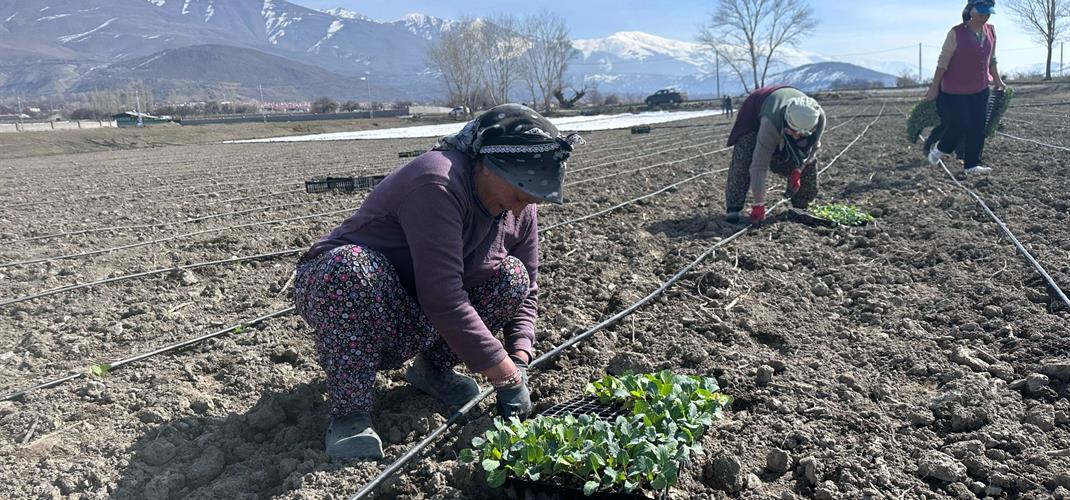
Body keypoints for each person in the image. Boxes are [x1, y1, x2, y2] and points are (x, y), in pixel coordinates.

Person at [293, 103, 583, 460]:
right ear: (491, 167)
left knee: (513, 277)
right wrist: (503, 374)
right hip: (356, 292)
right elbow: (442, 295)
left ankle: (431, 371)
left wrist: (519, 357)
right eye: (521, 196)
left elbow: (527, 291)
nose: (523, 209)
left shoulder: (518, 210)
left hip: (420, 304)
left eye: (532, 201)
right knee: (348, 268)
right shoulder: (439, 182)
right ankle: (349, 414)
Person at [924, 0, 1006, 174]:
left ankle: (971, 165)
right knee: (960, 124)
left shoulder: (991, 31)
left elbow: (992, 59)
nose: (984, 18)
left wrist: (997, 80)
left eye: (988, 14)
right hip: (954, 89)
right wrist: (934, 87)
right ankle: (939, 149)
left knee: (978, 126)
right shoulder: (956, 33)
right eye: (981, 14)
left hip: (980, 86)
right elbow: (942, 62)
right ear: (971, 12)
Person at [723, 86, 825, 224]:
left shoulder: (819, 118)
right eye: (793, 131)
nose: (796, 136)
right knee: (745, 152)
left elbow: (813, 149)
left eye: (802, 134)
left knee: (806, 161)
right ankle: (734, 206)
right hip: (755, 111)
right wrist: (759, 203)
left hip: (782, 113)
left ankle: (802, 204)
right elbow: (759, 164)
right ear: (787, 121)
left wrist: (798, 170)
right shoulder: (771, 122)